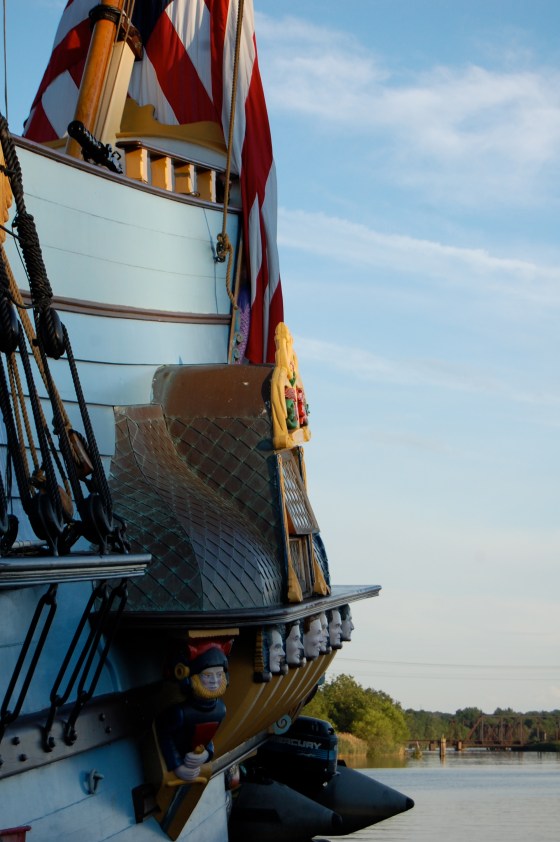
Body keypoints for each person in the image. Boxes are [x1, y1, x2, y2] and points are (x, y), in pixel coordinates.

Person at [156, 640, 231, 782]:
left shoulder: (221, 710)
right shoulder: (181, 712)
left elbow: (207, 738)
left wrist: (206, 754)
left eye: (219, 675)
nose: (215, 681)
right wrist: (177, 766)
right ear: (193, 678)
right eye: (207, 676)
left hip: (195, 763)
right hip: (179, 766)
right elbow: (165, 737)